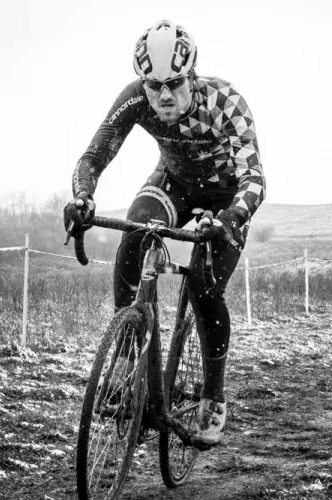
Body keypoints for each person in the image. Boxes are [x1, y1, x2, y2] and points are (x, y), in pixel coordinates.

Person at [63, 20, 265, 448]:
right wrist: (83, 198)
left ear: (191, 76)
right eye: (154, 86)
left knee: (206, 289)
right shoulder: (135, 98)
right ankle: (126, 351)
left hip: (226, 196)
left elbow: (255, 180)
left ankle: (213, 394)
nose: (164, 96)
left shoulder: (225, 101)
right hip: (175, 183)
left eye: (174, 83)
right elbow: (94, 156)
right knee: (135, 228)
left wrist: (230, 220)